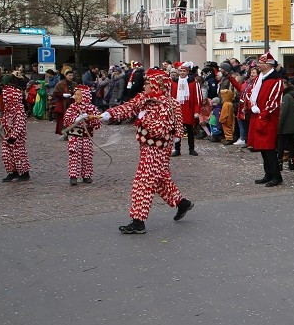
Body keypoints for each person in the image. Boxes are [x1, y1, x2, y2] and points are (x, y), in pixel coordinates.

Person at [100, 69, 193, 234]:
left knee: (143, 182)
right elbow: (129, 107)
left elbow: (160, 129)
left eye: (148, 83)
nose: (145, 86)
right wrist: (109, 114)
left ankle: (138, 221)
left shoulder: (166, 105)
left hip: (157, 149)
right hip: (147, 147)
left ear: (156, 85)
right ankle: (182, 203)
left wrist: (141, 120)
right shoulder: (145, 99)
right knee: (160, 179)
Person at [248, 53, 284, 187]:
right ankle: (268, 173)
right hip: (259, 115)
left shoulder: (277, 80)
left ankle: (276, 175)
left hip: (268, 118)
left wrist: (263, 115)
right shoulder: (260, 78)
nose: (258, 65)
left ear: (268, 65)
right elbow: (252, 94)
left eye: (260, 63)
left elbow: (273, 102)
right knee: (263, 148)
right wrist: (253, 106)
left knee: (269, 148)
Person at [62, 83, 102, 185]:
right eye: (75, 94)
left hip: (87, 136)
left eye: (79, 95)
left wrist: (89, 119)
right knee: (74, 154)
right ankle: (73, 176)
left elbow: (97, 124)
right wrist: (77, 119)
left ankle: (86, 175)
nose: (76, 97)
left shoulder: (92, 108)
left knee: (87, 156)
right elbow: (66, 121)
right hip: (75, 136)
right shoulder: (72, 107)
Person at [0, 72, 31, 182]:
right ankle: (12, 171)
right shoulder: (8, 109)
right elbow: (7, 119)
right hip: (9, 135)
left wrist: (14, 135)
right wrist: (1, 121)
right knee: (6, 154)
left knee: (19, 154)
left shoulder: (18, 109)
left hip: (16, 137)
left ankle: (24, 172)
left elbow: (20, 123)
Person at [172, 63, 200, 156]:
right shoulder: (174, 83)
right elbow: (171, 96)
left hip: (189, 109)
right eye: (181, 71)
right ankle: (177, 149)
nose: (182, 73)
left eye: (184, 71)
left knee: (190, 131)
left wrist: (196, 111)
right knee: (177, 131)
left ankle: (191, 149)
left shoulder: (193, 83)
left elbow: (197, 98)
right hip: (177, 109)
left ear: (187, 72)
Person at [51, 69, 74, 135]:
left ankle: (71, 132)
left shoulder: (74, 83)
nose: (71, 77)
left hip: (71, 104)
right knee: (62, 118)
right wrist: (62, 95)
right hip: (63, 104)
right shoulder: (61, 83)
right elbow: (55, 93)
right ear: (66, 76)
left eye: (72, 75)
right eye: (69, 75)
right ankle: (63, 132)